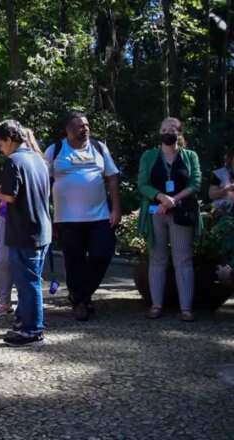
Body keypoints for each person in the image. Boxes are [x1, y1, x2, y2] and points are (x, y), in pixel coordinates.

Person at [44, 111, 121, 321]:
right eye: (80, 126)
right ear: (68, 130)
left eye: (87, 125)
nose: (85, 129)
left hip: (99, 216)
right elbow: (43, 182)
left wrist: (116, 208)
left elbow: (112, 178)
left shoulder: (98, 147)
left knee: (102, 254)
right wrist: (46, 215)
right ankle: (80, 302)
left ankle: (82, 294)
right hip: (67, 219)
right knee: (74, 260)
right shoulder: (55, 150)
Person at [0, 119, 51, 347]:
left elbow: (10, 196)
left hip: (25, 230)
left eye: (0, 144)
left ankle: (32, 331)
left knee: (27, 282)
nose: (0, 149)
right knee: (30, 280)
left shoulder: (14, 161)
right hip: (42, 229)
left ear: (9, 140)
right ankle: (24, 323)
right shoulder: (39, 159)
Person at [136, 117, 202, 322]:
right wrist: (161, 197)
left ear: (179, 133)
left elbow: (196, 181)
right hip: (156, 211)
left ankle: (186, 308)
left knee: (183, 259)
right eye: (163, 129)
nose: (167, 132)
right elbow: (142, 183)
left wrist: (174, 199)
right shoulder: (149, 156)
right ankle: (156, 305)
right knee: (157, 258)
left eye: (171, 129)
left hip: (181, 212)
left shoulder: (190, 156)